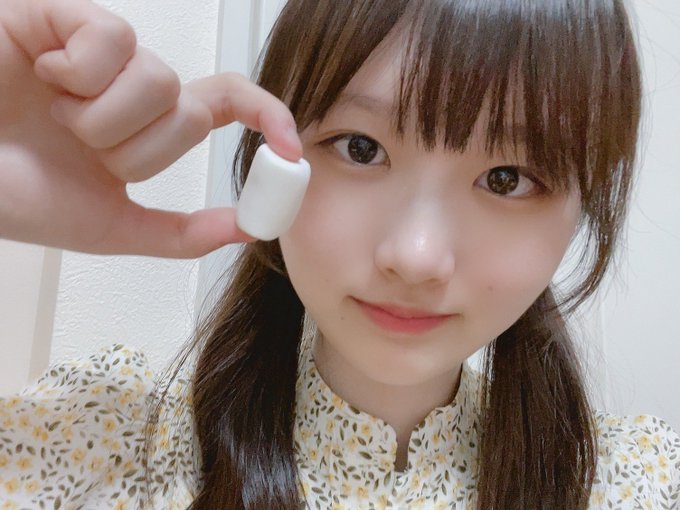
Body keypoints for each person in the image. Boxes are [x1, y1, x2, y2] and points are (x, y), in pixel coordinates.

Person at [0, 0, 678, 509]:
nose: (416, 256)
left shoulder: (639, 484)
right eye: (361, 147)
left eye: (506, 179)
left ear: (585, 203)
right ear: (271, 158)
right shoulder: (100, 448)